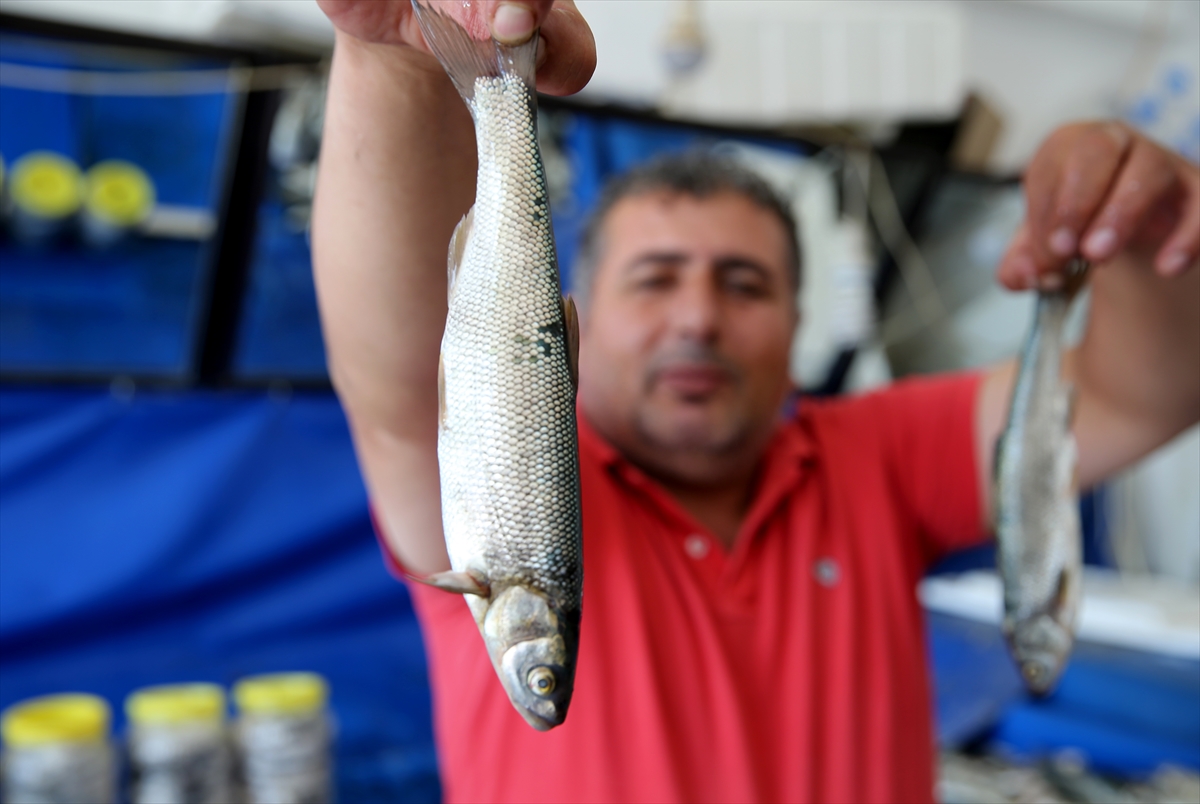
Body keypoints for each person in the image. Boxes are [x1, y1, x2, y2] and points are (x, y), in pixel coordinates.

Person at [311, 2, 1200, 802]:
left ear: (798, 324)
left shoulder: (875, 456)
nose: (698, 319)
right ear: (580, 310)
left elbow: (1142, 395)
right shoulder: (515, 467)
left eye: (743, 284)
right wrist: (393, 51)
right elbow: (394, 378)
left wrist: (1138, 230)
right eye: (656, 280)